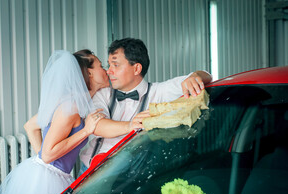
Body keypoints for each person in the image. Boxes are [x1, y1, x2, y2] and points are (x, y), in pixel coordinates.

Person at [0, 50, 109, 194]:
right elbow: (48, 155)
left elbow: (30, 126)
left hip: (50, 174)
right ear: (89, 73)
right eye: (100, 65)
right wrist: (86, 131)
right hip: (48, 180)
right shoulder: (70, 107)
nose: (105, 70)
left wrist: (44, 161)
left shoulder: (75, 101)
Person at [79, 38, 212, 173]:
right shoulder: (103, 93)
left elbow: (205, 75)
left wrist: (195, 76)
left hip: (131, 175)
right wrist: (129, 125)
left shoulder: (158, 92)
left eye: (115, 65)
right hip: (90, 172)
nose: (109, 71)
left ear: (136, 68)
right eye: (108, 65)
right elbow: (96, 125)